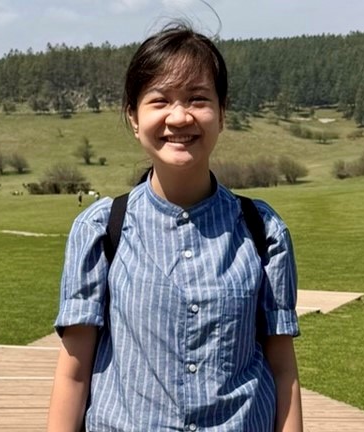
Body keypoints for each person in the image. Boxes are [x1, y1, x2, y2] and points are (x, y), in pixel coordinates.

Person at [48, 22, 303, 432]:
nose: (180, 116)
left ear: (222, 113)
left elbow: (283, 370)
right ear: (134, 117)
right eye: (160, 100)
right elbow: (73, 374)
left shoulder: (264, 231)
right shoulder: (100, 230)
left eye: (198, 99)